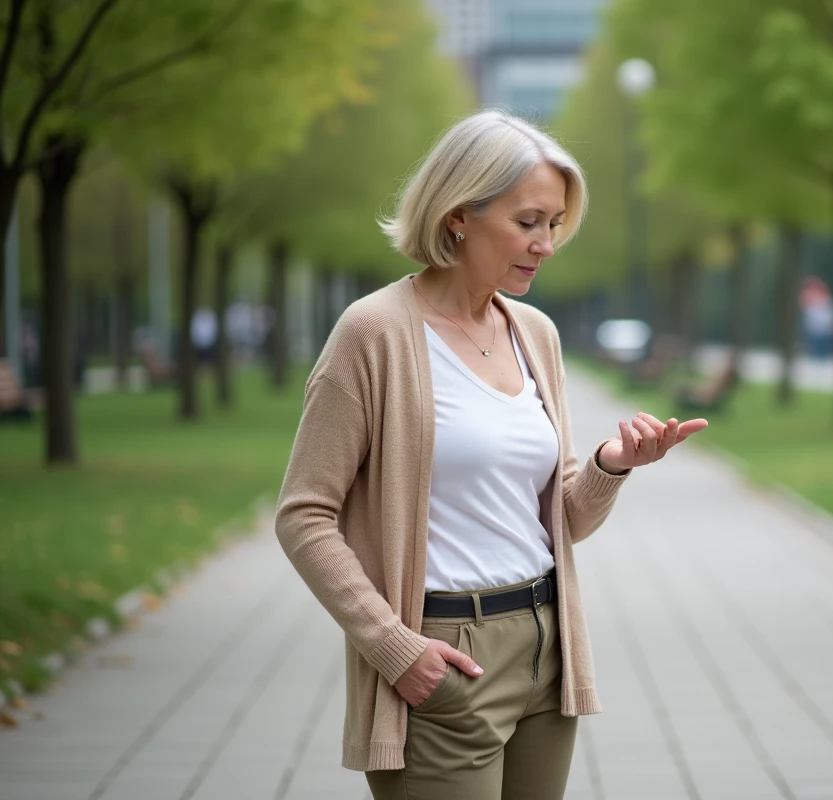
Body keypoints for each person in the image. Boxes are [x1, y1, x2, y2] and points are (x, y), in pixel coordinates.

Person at [274, 110, 708, 800]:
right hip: (444, 651)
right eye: (528, 221)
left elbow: (561, 517)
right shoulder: (374, 334)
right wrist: (395, 648)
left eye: (555, 223)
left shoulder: (534, 332)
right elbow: (303, 515)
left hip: (546, 646)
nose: (547, 243)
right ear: (458, 217)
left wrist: (610, 465)